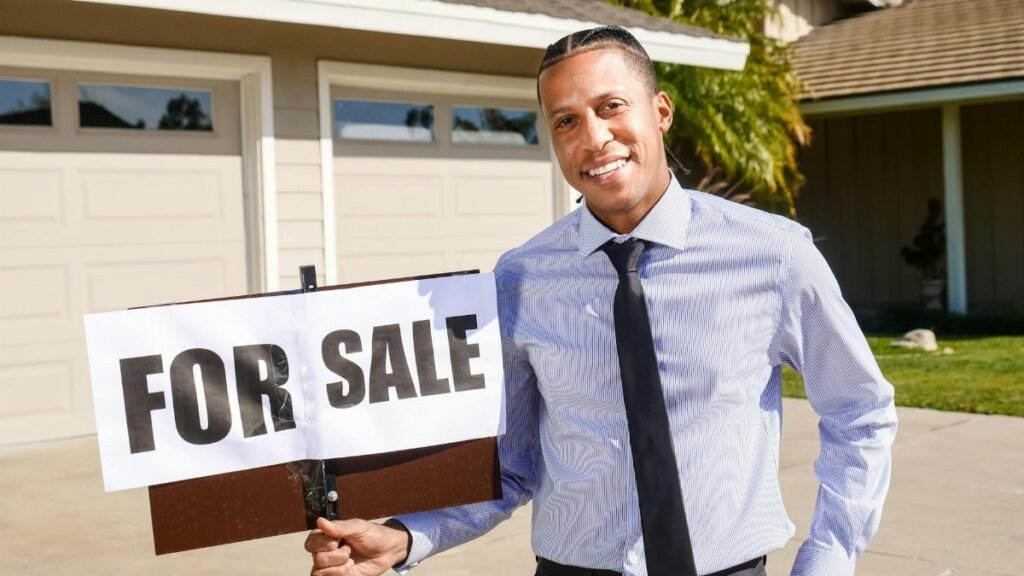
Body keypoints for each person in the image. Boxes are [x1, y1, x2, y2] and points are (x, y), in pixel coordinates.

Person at [305, 26, 897, 576]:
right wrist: (407, 537)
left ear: (660, 111)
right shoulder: (520, 279)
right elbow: (513, 465)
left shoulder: (774, 256)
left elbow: (860, 411)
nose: (593, 137)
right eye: (565, 121)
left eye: (611, 107)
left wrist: (827, 558)